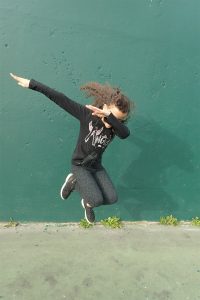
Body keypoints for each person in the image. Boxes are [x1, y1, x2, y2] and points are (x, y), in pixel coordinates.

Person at [10, 73, 133, 224]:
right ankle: (74, 182)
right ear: (105, 107)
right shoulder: (87, 115)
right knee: (96, 199)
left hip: (96, 166)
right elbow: (60, 98)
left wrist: (111, 119)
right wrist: (32, 84)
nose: (115, 122)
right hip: (79, 165)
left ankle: (87, 203)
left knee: (112, 198)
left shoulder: (116, 128)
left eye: (119, 120)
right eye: (112, 116)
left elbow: (125, 134)